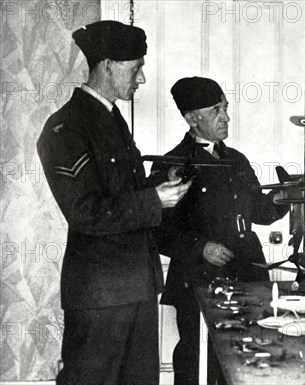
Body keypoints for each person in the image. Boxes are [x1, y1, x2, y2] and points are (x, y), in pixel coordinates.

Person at [37, 21, 191, 385]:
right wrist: (153, 199)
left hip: (135, 285)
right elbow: (84, 212)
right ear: (107, 65)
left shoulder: (109, 119)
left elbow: (120, 192)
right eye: (135, 67)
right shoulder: (66, 127)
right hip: (99, 297)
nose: (141, 78)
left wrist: (158, 184)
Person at [152, 76, 289, 385]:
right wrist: (201, 248)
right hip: (199, 280)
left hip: (248, 275)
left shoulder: (236, 160)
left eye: (225, 108)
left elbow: (259, 212)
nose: (226, 117)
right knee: (197, 360)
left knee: (247, 358)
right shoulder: (171, 164)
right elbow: (158, 232)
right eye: (216, 110)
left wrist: (281, 199)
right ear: (192, 118)